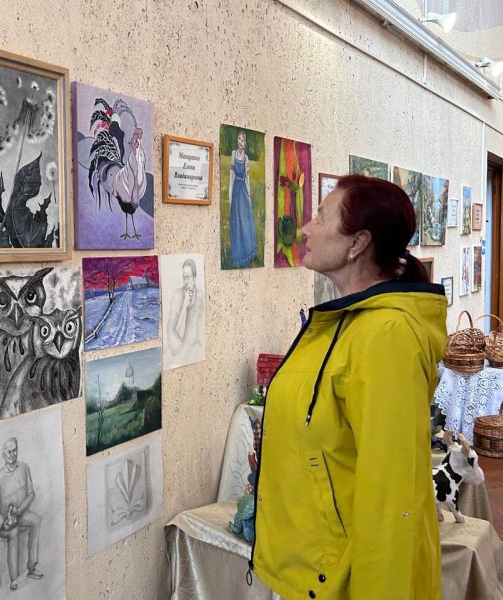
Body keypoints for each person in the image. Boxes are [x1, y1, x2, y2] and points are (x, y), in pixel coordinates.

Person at [252, 175, 447, 600]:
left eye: (321, 217)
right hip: (311, 570)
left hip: (341, 580)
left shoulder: (387, 335)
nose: (306, 228)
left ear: (357, 242)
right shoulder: (344, 322)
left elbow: (392, 496)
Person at [0, 437, 43, 591]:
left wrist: (19, 510)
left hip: (20, 514)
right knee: (13, 532)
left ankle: (32, 567)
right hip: (5, 524)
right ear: (3, 455)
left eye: (15, 451)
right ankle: (14, 579)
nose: (12, 455)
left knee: (36, 519)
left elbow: (31, 494)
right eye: (9, 452)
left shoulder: (25, 468)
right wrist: (4, 523)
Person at [166, 258, 205, 359]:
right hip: (182, 354)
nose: (186, 281)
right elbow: (176, 336)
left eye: (188, 277)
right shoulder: (177, 295)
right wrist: (184, 305)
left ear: (194, 277)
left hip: (198, 353)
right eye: (184, 277)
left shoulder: (201, 296)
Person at [229, 130, 257, 267]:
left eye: (243, 140)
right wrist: (229, 197)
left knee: (245, 221)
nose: (241, 142)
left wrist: (249, 195)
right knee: (237, 222)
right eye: (239, 139)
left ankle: (248, 251)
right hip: (235, 190)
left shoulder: (246, 158)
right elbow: (231, 176)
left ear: (245, 143)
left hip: (243, 191)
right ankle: (238, 254)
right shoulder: (233, 154)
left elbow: (247, 178)